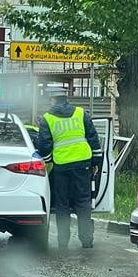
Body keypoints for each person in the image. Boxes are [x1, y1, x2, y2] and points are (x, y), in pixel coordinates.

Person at [37, 85, 102, 249]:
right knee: (83, 202)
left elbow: (44, 145)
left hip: (62, 165)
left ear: (52, 99)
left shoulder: (47, 118)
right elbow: (93, 138)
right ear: (66, 98)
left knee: (62, 204)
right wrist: (96, 162)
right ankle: (86, 240)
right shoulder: (81, 113)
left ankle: (63, 241)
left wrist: (48, 161)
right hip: (82, 163)